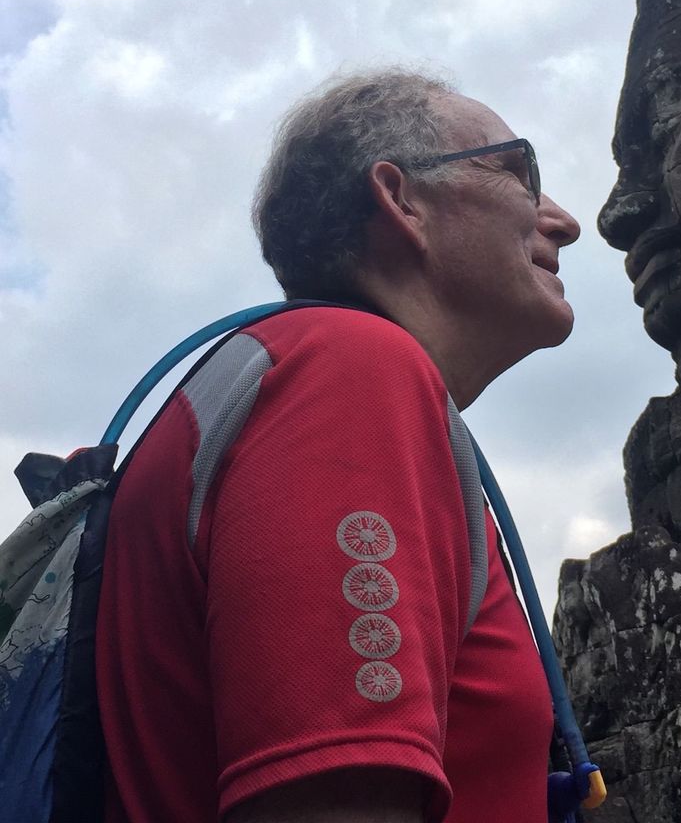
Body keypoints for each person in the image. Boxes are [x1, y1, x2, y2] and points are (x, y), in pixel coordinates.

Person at [95, 69, 581, 823]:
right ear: (401, 200)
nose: (564, 221)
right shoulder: (347, 372)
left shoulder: (320, 384)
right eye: (518, 172)